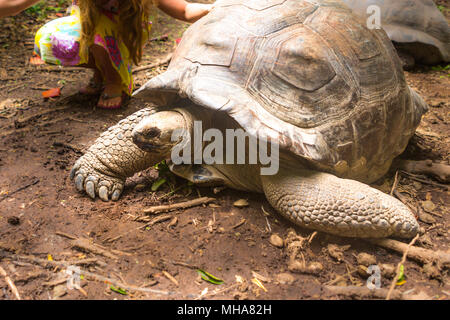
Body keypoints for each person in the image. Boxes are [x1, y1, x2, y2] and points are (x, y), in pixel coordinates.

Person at [34, 0, 212, 109]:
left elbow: (185, 10)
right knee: (48, 39)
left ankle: (114, 81)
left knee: (99, 32)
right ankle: (102, 72)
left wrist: (215, 7)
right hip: (92, 31)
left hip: (122, 37)